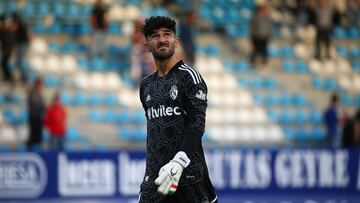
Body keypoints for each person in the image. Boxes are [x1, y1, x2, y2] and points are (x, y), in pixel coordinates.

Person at [138, 16, 217, 203]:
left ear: (176, 41)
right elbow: (155, 131)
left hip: (188, 177)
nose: (162, 39)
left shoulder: (189, 77)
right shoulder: (146, 86)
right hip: (155, 179)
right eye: (155, 36)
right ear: (148, 45)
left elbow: (197, 124)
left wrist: (178, 162)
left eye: (167, 34)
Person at [11, 12, 31, 85]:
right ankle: (23, 77)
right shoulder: (21, 23)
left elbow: (13, 28)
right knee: (18, 61)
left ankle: (25, 77)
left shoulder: (19, 23)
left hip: (22, 44)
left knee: (20, 61)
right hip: (23, 44)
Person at [26, 78, 45, 150]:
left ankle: (37, 148)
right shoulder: (32, 93)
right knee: (33, 134)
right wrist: (43, 108)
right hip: (34, 116)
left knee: (38, 135)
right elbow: (34, 104)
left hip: (38, 116)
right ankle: (30, 149)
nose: (41, 86)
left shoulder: (39, 93)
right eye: (40, 85)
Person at [0, 14, 15, 84]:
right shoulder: (6, 28)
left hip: (7, 49)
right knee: (4, 63)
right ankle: (8, 77)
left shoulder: (5, 29)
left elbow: (9, 40)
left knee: (4, 64)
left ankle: (9, 78)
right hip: (7, 49)